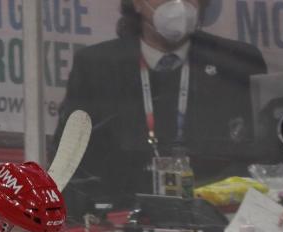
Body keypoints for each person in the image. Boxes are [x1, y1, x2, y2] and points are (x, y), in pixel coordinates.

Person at [56, 0, 266, 215]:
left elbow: (261, 163)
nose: (178, 4)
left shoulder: (237, 62)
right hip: (121, 218)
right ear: (137, 4)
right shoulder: (96, 66)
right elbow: (67, 166)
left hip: (217, 219)